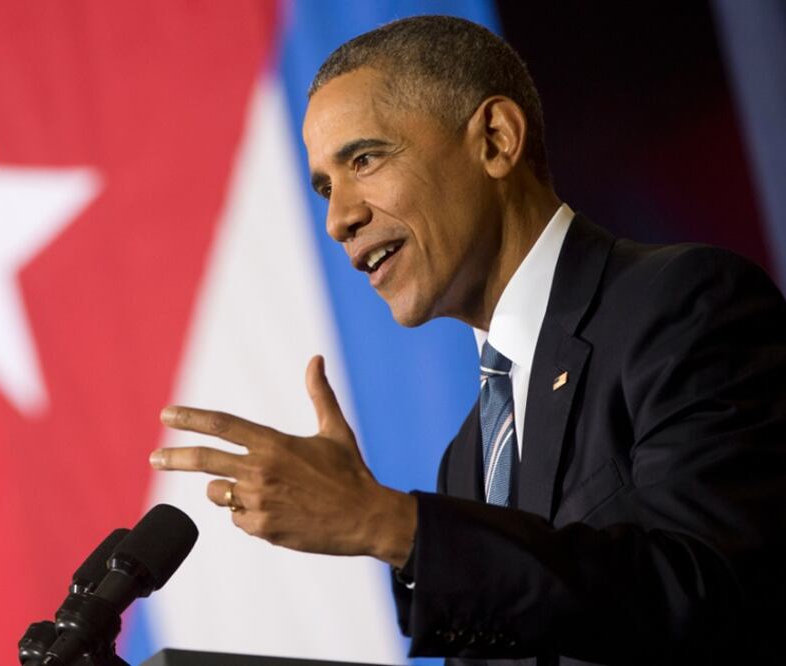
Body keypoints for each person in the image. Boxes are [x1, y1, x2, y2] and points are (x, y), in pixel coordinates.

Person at [148, 15, 786, 665]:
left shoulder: (682, 303)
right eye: (324, 188)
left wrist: (386, 523)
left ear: (494, 139)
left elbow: (710, 594)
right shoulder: (469, 457)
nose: (339, 219)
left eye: (364, 159)